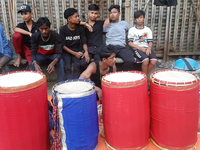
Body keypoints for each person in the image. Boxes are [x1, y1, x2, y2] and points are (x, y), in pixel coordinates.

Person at [29, 17, 64, 83]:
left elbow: (60, 53)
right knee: (31, 64)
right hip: (41, 55)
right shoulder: (35, 36)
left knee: (61, 61)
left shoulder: (55, 36)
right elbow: (33, 52)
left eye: (46, 28)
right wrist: (35, 63)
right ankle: (35, 83)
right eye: (41, 29)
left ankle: (60, 83)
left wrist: (53, 63)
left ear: (49, 27)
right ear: (38, 28)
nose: (44, 31)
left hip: (53, 55)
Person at [60, 8, 90, 79]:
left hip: (77, 50)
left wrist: (86, 52)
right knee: (67, 67)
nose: (78, 18)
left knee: (77, 65)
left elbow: (84, 42)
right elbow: (63, 46)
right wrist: (74, 53)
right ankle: (70, 83)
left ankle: (76, 82)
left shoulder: (80, 28)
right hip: (67, 51)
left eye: (78, 16)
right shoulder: (63, 29)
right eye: (76, 17)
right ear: (69, 19)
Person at [103, 5, 135, 71]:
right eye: (111, 13)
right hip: (109, 47)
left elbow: (133, 32)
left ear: (119, 14)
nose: (112, 15)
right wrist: (107, 20)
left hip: (121, 47)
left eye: (114, 12)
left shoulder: (124, 24)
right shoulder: (106, 24)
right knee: (104, 59)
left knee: (131, 60)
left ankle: (119, 72)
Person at [80, 4, 109, 71]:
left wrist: (108, 19)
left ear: (98, 14)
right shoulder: (83, 26)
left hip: (98, 49)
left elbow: (111, 19)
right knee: (82, 63)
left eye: (96, 13)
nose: (93, 15)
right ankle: (87, 79)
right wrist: (85, 24)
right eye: (92, 13)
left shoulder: (100, 23)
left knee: (100, 63)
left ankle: (97, 80)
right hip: (88, 49)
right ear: (88, 13)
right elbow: (75, 22)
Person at [128, 10, 157, 75]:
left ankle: (143, 76)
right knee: (146, 60)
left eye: (141, 17)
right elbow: (130, 43)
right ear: (135, 19)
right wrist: (140, 48)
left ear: (144, 18)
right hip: (137, 49)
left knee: (154, 61)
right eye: (137, 18)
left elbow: (150, 41)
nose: (139, 19)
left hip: (146, 48)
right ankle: (144, 78)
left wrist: (149, 49)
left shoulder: (147, 29)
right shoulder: (132, 30)